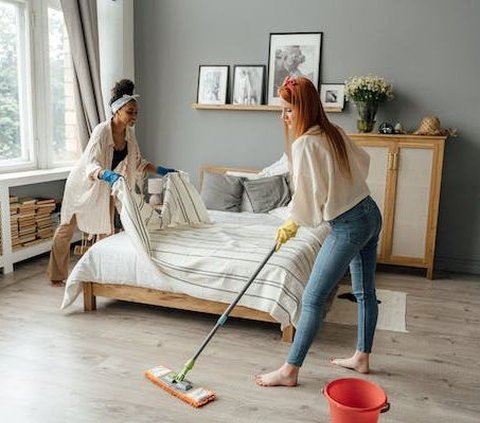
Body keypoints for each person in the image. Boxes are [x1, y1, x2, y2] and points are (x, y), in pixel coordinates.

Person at [255, 76, 382, 387]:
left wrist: (292, 221)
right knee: (365, 292)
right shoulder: (332, 131)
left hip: (348, 225)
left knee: (311, 298)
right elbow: (362, 164)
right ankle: (361, 357)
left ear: (304, 108)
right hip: (369, 211)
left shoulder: (306, 143)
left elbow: (309, 196)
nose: (283, 117)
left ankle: (289, 371)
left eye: (288, 110)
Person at [47, 79, 176, 286]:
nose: (134, 116)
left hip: (105, 185)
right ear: (117, 111)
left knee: (107, 229)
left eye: (136, 112)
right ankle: (56, 276)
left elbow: (138, 162)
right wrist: (108, 175)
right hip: (83, 186)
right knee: (66, 229)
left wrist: (161, 170)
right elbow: (91, 164)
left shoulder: (129, 135)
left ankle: (101, 275)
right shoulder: (101, 131)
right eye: (130, 112)